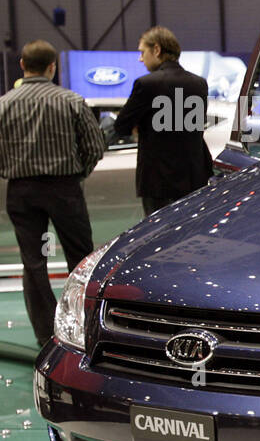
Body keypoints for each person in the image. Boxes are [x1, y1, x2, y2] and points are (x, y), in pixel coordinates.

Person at [0, 40, 104, 346]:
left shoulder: (4, 104)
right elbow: (95, 147)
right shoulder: (71, 101)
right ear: (52, 67)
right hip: (64, 189)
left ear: (22, 65)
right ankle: (84, 327)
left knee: (33, 263)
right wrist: (76, 174)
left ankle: (46, 334)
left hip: (21, 191)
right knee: (81, 258)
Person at [113, 26, 211, 215]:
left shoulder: (146, 84)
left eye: (142, 52)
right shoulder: (199, 83)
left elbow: (121, 126)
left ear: (156, 50)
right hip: (193, 177)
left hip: (158, 182)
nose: (140, 59)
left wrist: (138, 126)